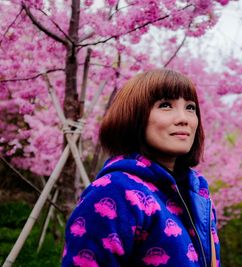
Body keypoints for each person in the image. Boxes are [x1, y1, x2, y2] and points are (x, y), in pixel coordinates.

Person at [62, 69, 220, 267]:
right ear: (134, 117)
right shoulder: (115, 191)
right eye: (165, 105)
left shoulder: (198, 191)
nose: (184, 118)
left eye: (190, 108)